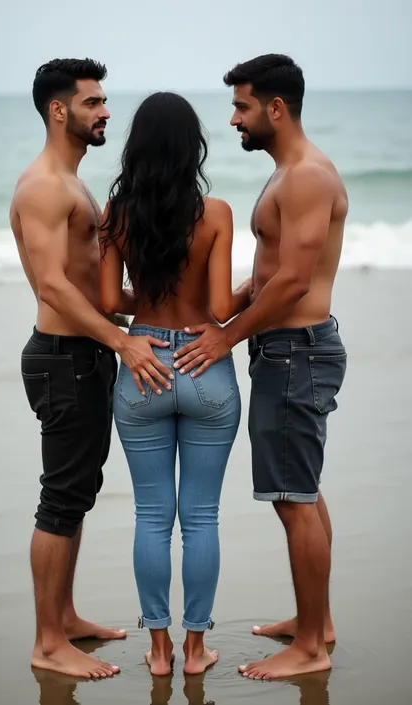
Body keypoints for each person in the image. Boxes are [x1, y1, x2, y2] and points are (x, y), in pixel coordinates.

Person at [173, 54, 348, 680]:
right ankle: (316, 623)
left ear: (276, 108)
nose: (235, 118)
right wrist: (233, 307)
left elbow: (297, 280)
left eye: (243, 106)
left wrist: (226, 339)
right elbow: (273, 275)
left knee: (293, 499)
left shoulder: (305, 177)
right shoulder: (289, 174)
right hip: (289, 350)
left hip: (295, 351)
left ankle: (309, 649)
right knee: (301, 491)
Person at [9, 58, 173, 680]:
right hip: (63, 358)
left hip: (84, 354)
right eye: (93, 102)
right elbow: (52, 284)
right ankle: (48, 641)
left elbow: (98, 287)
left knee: (76, 494)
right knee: (60, 499)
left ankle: (65, 618)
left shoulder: (72, 183)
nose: (106, 111)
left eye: (105, 101)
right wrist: (124, 343)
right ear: (59, 110)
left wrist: (178, 316)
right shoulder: (45, 186)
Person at [99, 91, 251, 676]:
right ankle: (195, 650)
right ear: (194, 148)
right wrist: (253, 293)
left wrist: (151, 308)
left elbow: (111, 301)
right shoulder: (213, 214)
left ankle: (158, 650)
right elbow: (217, 306)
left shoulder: (118, 215)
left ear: (136, 147)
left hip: (145, 368)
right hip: (205, 368)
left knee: (152, 517)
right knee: (202, 516)